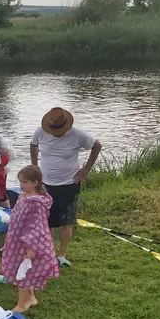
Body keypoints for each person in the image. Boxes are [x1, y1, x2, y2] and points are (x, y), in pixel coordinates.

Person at [30, 107, 101, 267]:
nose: (55, 134)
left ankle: (62, 254)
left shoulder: (78, 135)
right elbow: (33, 145)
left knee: (65, 221)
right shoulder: (40, 132)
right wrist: (34, 167)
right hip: (45, 183)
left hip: (69, 183)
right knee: (46, 221)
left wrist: (86, 169)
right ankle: (48, 252)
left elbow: (96, 146)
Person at [0, 165, 59, 313]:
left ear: (35, 183)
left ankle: (22, 303)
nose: (21, 185)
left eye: (24, 182)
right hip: (18, 240)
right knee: (24, 269)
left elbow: (36, 226)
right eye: (20, 182)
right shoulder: (25, 196)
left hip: (28, 242)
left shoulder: (36, 203)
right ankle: (31, 297)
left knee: (23, 272)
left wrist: (32, 247)